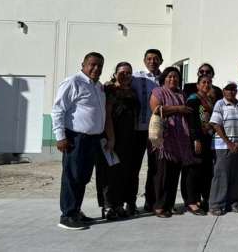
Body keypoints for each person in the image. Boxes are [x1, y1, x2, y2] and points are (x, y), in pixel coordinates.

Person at [52, 52, 106, 230]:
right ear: (83, 64)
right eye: (92, 64)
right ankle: (67, 215)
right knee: (72, 176)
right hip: (76, 138)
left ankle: (76, 210)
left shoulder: (98, 86)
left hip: (92, 140)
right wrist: (60, 137)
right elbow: (58, 110)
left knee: (82, 177)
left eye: (99, 65)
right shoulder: (73, 82)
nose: (96, 68)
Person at [150, 67, 201, 218]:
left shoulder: (182, 94)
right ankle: (159, 206)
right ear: (164, 78)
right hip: (165, 139)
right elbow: (156, 109)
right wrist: (178, 108)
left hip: (180, 139)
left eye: (176, 77)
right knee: (163, 174)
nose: (173, 79)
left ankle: (169, 205)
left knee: (174, 174)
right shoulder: (158, 92)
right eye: (170, 76)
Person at [96, 62, 140, 220]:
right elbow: (107, 115)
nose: (125, 75)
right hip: (112, 136)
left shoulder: (133, 92)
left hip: (129, 138)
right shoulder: (110, 90)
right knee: (109, 173)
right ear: (115, 74)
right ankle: (108, 206)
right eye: (122, 72)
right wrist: (111, 138)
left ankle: (119, 204)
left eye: (129, 73)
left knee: (123, 172)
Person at [208, 82, 238, 216]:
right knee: (221, 175)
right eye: (228, 89)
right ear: (224, 91)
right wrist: (229, 143)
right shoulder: (220, 104)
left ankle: (233, 202)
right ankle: (216, 204)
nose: (231, 92)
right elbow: (215, 124)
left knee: (236, 175)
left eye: (233, 89)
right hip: (222, 146)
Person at [131, 48, 162, 213]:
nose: (152, 61)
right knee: (133, 167)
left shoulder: (165, 78)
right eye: (149, 59)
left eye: (156, 59)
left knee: (155, 167)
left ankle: (151, 201)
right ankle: (130, 202)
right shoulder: (136, 77)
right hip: (138, 129)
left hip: (157, 131)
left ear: (161, 61)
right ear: (144, 61)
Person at [185, 75, 217, 211]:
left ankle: (205, 198)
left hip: (208, 138)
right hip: (197, 139)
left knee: (206, 170)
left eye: (209, 82)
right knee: (195, 170)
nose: (206, 84)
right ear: (197, 85)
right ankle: (192, 200)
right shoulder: (193, 99)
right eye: (203, 82)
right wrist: (196, 139)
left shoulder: (210, 99)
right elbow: (192, 121)